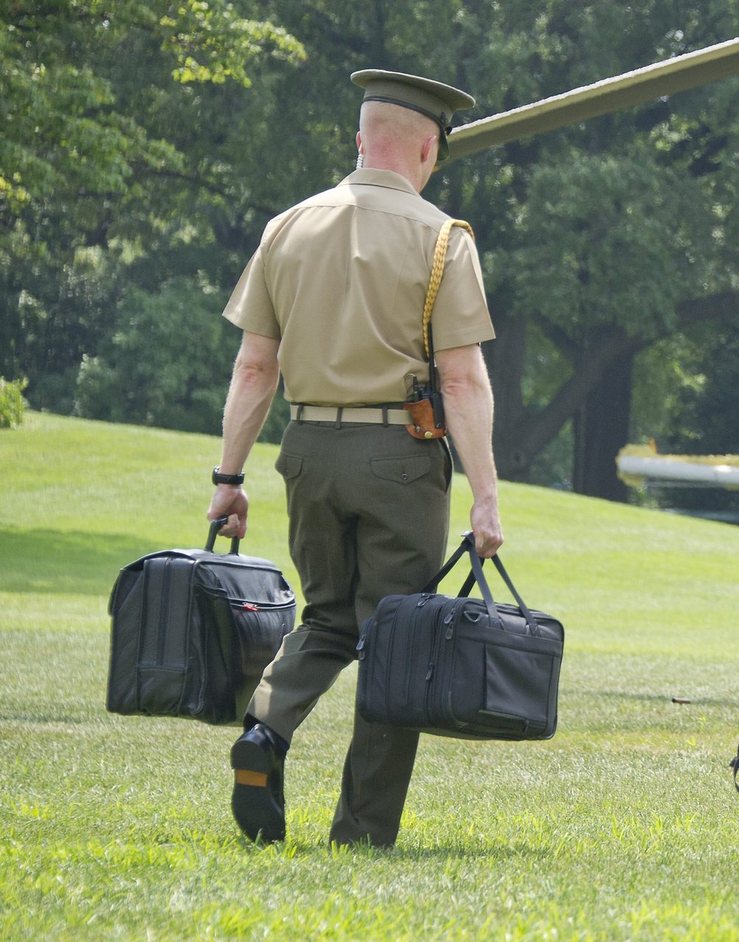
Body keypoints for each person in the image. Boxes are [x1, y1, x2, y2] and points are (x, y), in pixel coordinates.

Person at [207, 69, 503, 848]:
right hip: (399, 458)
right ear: (428, 148)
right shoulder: (443, 238)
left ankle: (264, 733)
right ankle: (361, 830)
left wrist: (228, 480)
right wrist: (485, 497)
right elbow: (463, 378)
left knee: (328, 618)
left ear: (361, 139)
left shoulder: (287, 227)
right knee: (394, 637)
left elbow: (252, 368)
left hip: (305, 449)